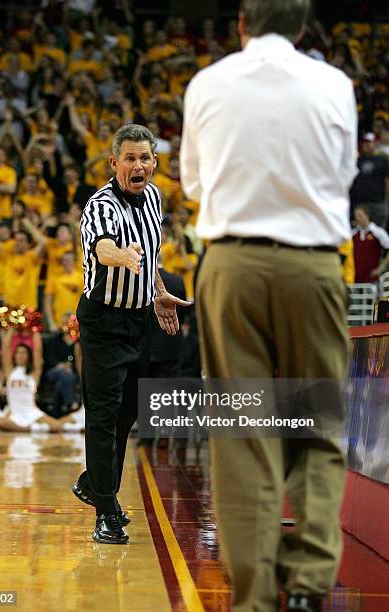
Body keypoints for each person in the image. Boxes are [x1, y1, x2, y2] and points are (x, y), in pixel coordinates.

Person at [180, 1, 358, 611]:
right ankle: (308, 587)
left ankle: (254, 598)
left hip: (231, 264)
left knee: (242, 432)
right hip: (313, 265)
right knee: (319, 425)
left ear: (241, 22)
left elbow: (195, 186)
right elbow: (343, 178)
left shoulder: (207, 84)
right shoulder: (335, 84)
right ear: (304, 25)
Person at [72, 124, 191, 545]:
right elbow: (104, 248)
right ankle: (105, 510)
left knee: (128, 414)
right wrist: (120, 256)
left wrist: (158, 292)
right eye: (130, 158)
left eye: (145, 158)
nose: (138, 165)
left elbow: (152, 255)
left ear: (154, 163)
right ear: (114, 163)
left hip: (139, 319)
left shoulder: (155, 198)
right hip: (103, 322)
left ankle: (94, 483)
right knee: (103, 417)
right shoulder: (100, 206)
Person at [0, 327, 64, 433]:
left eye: (23, 353)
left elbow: (37, 350)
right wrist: (12, 327)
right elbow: (6, 348)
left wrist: (33, 327)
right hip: (14, 412)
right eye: (17, 352)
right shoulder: (10, 372)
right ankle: (30, 429)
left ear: (28, 356)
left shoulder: (34, 373)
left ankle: (25, 428)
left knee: (57, 426)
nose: (19, 355)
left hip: (31, 411)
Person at [352, 206, 389, 282]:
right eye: (356, 216)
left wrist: (380, 268)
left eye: (359, 215)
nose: (357, 218)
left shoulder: (377, 231)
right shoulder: (353, 233)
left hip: (372, 278)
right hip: (355, 277)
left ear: (367, 215)